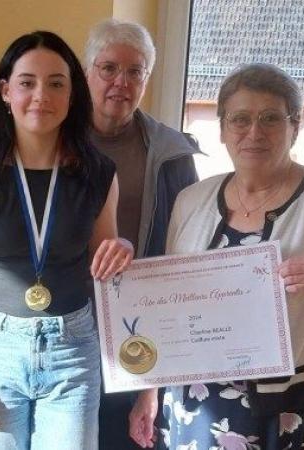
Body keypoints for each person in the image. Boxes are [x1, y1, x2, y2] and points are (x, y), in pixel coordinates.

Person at [129, 63, 304, 449]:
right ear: (222, 129)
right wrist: (149, 391)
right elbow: (168, 307)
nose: (255, 132)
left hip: (286, 408)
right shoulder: (191, 201)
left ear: (295, 126)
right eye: (240, 119)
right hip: (194, 402)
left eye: (271, 118)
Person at [0, 30, 134, 450]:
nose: (40, 95)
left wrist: (124, 251)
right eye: (27, 82)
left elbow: (107, 264)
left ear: (72, 94)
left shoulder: (99, 174)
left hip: (73, 351)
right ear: (7, 92)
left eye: (56, 83)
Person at [83, 18, 200, 449]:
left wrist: (157, 377)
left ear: (147, 79)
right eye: (109, 68)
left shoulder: (172, 155)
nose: (121, 82)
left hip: (140, 329)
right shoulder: (52, 141)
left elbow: (182, 256)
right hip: (67, 326)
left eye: (136, 72)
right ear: (87, 72)